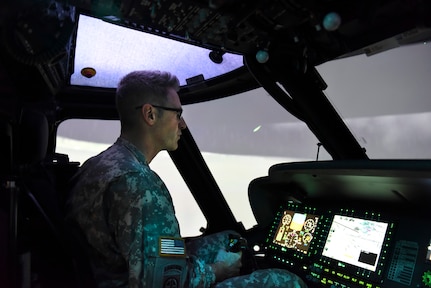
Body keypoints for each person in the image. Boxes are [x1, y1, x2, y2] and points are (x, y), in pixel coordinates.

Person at [65, 70, 307, 288]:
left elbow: (150, 248)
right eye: (177, 113)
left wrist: (189, 258)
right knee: (285, 281)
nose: (181, 124)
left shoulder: (99, 164)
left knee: (231, 241)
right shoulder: (139, 185)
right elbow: (162, 283)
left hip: (112, 270)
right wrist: (217, 271)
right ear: (150, 114)